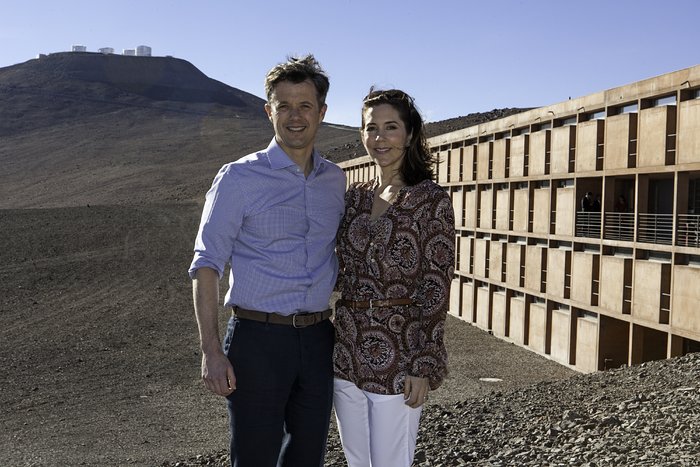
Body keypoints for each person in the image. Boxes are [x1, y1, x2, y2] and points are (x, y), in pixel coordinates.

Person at [188, 55, 346, 467]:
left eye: (305, 105)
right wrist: (210, 349)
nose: (295, 116)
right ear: (268, 111)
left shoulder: (336, 180)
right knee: (255, 457)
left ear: (322, 112)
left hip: (318, 339)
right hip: (257, 340)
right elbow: (207, 264)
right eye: (284, 106)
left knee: (307, 456)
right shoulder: (238, 178)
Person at [332, 88, 455, 467]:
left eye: (390, 127)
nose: (380, 138)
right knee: (356, 460)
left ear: (410, 134)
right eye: (371, 128)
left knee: (390, 462)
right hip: (345, 350)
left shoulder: (430, 200)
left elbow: (436, 285)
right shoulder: (355, 197)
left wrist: (423, 363)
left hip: (399, 351)